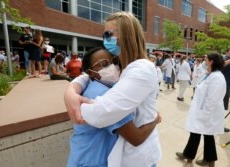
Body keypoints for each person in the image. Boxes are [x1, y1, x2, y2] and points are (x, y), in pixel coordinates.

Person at [64, 11, 162, 167]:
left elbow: (100, 113)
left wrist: (78, 107)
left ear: (127, 35)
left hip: (139, 157)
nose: (105, 40)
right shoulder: (125, 67)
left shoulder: (141, 69)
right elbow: (87, 76)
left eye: (108, 34)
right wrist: (71, 91)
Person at [176, 53, 226, 167]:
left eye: (206, 59)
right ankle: (204, 159)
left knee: (204, 134)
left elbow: (212, 100)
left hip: (207, 113)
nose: (204, 60)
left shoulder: (217, 77)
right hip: (202, 111)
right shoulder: (211, 74)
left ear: (211, 61)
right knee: (200, 134)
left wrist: (203, 115)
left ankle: (199, 159)